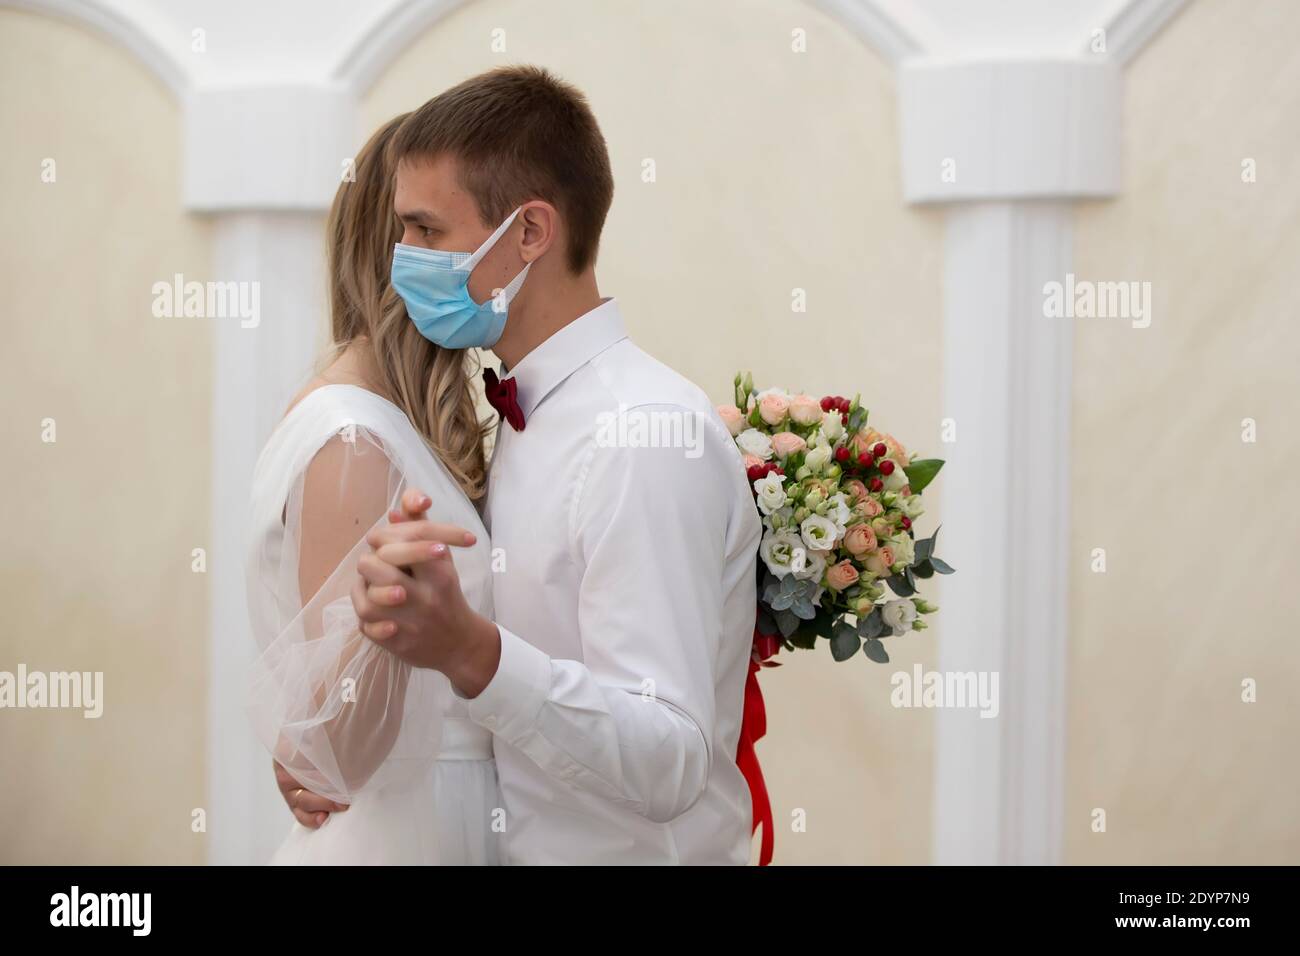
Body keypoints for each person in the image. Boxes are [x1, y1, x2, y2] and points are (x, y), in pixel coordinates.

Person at [326, 66, 763, 864]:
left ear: (530, 234)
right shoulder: (527, 413)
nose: (402, 261)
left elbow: (672, 758)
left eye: (427, 232)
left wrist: (469, 649)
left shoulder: (643, 437)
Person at [246, 113, 502, 865]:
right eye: (432, 232)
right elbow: (338, 749)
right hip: (407, 832)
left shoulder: (401, 422)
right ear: (389, 245)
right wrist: (383, 622)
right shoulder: (351, 436)